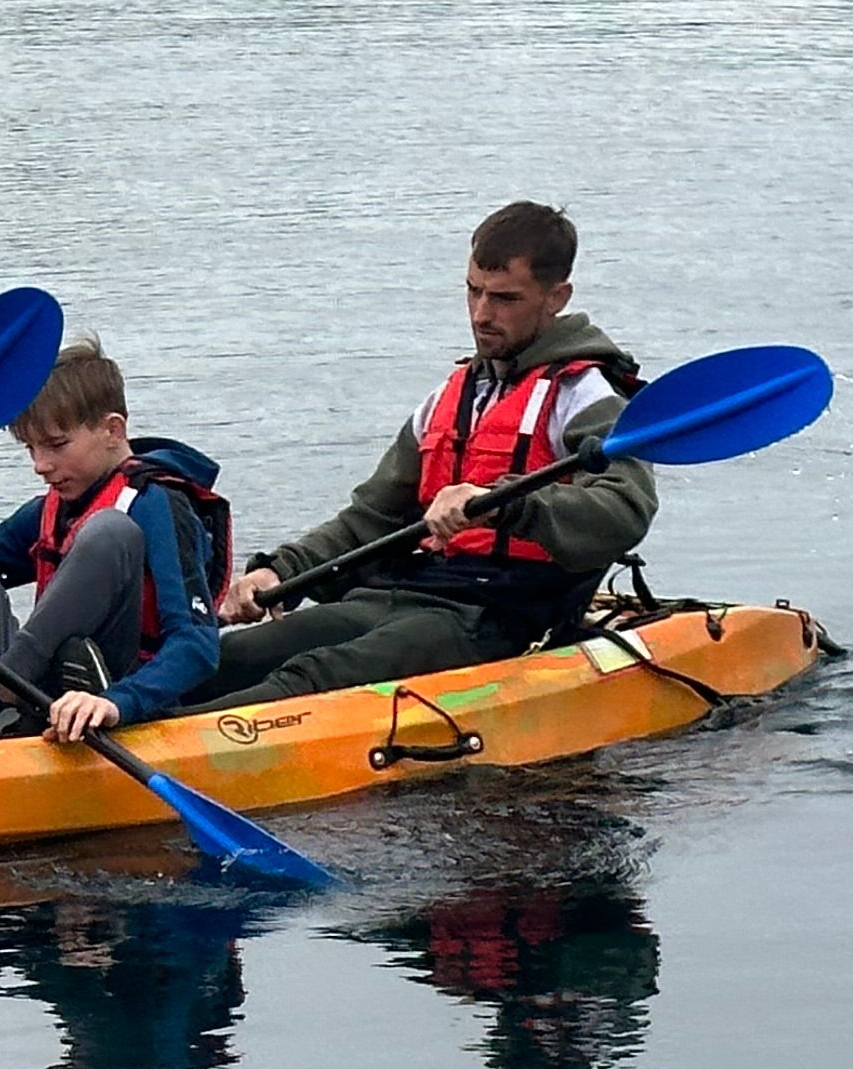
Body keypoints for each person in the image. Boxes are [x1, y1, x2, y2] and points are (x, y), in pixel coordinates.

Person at [200, 200, 654, 705]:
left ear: (556, 297)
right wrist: (280, 571)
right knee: (228, 658)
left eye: (504, 298)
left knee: (315, 675)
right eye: (473, 291)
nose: (482, 314)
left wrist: (508, 504)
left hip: (501, 614)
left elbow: (624, 510)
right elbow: (370, 518)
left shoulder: (586, 395)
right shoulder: (453, 395)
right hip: (407, 593)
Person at [0, 340, 224, 742]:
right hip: (41, 688)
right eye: (31, 448)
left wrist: (118, 702)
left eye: (56, 445)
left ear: (113, 430)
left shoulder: (158, 504)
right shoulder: (53, 506)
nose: (41, 465)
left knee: (110, 531)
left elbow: (198, 646)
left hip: (111, 692)